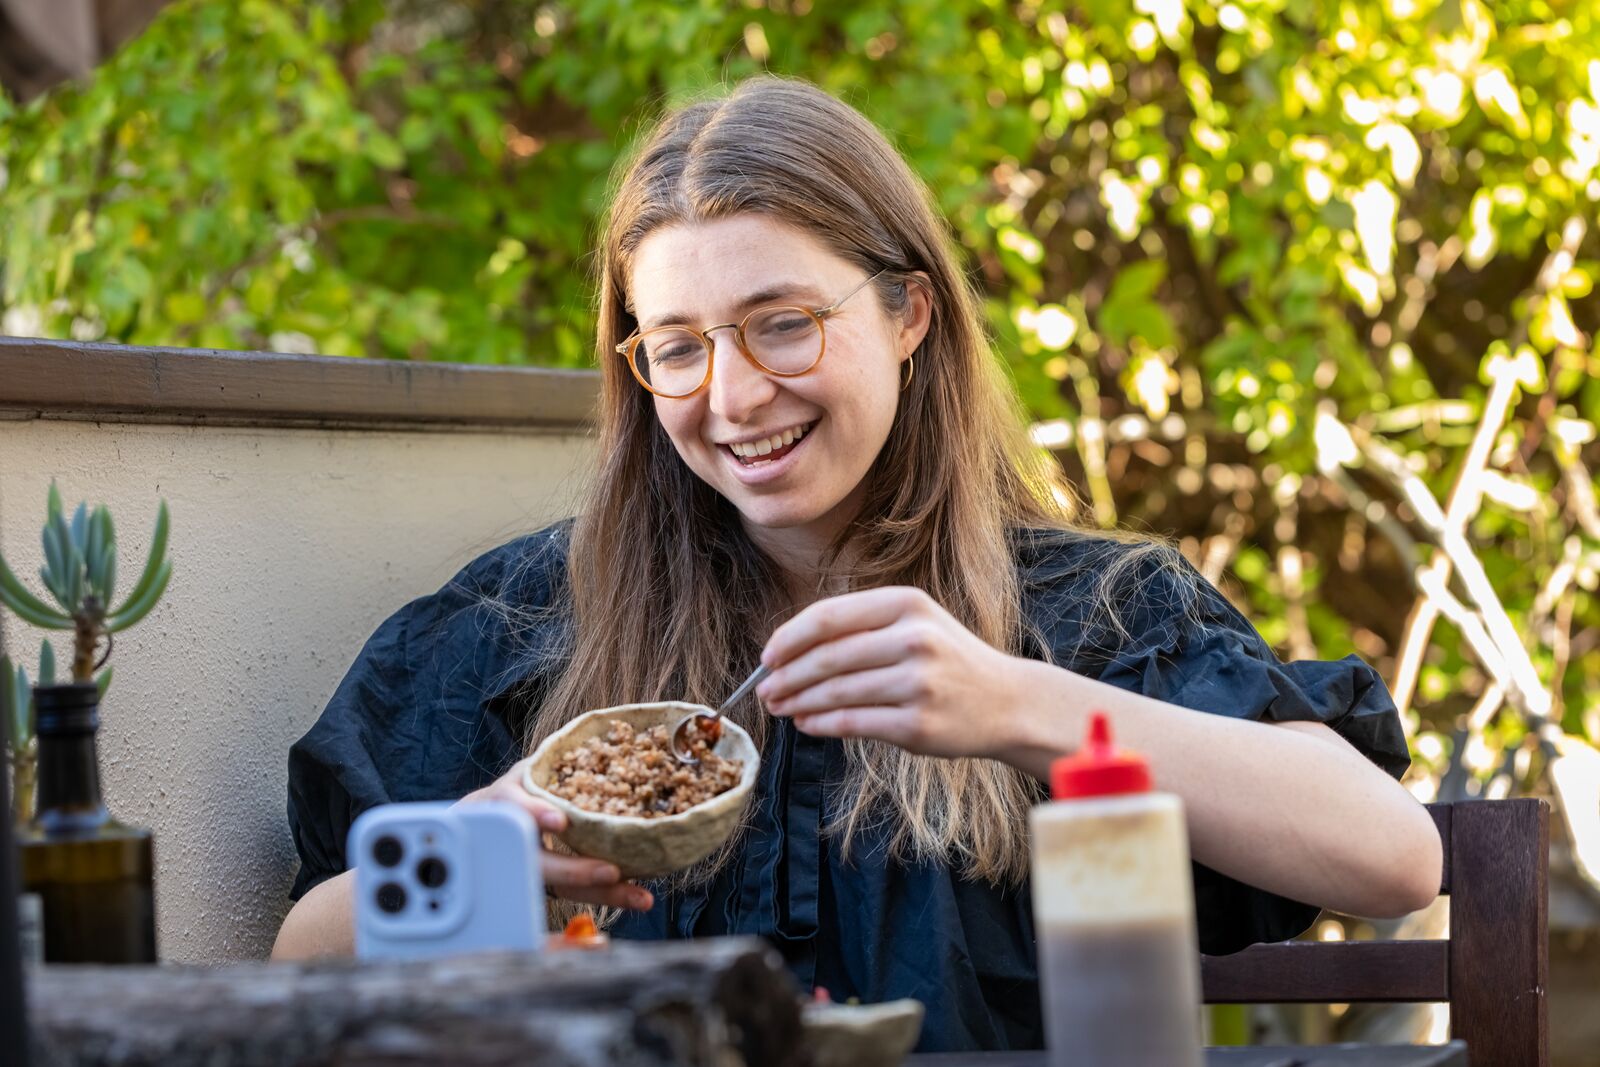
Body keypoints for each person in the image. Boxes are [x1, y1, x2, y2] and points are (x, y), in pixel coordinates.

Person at [272, 75, 1441, 1052]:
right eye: (678, 347)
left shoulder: (1090, 612)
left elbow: (1389, 854)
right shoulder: (523, 623)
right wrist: (478, 847)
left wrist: (1015, 701)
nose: (732, 398)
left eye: (782, 323)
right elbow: (300, 955)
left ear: (908, 314)